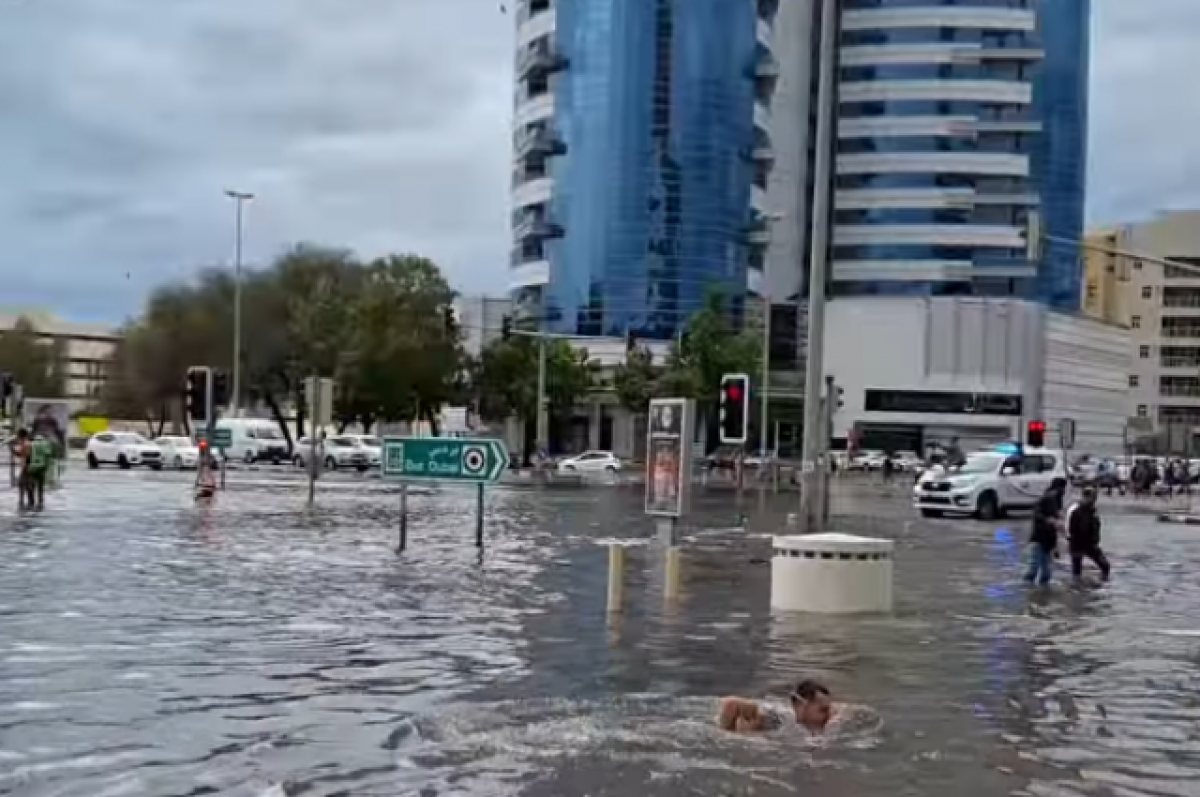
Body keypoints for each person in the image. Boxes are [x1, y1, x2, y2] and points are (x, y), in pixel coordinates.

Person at [716, 679, 835, 735]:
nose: (828, 717)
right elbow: (730, 703)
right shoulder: (778, 718)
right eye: (823, 710)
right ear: (801, 705)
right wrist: (726, 735)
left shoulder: (801, 726)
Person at [1025, 477, 1068, 586]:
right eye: (1063, 489)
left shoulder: (1055, 500)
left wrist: (1057, 546)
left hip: (1048, 541)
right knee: (1034, 570)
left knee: (1046, 573)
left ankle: (1039, 595)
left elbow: (1057, 525)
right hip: (1040, 539)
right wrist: (1048, 520)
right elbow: (1036, 514)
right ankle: (1028, 591)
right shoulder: (1047, 498)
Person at [1066, 487, 1111, 582]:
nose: (1095, 500)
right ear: (1085, 496)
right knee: (1077, 569)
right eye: (1093, 497)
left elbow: (1096, 525)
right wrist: (1070, 540)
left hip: (1091, 543)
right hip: (1077, 542)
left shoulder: (1093, 509)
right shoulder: (1074, 509)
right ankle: (1076, 589)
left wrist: (1096, 540)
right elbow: (1069, 527)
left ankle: (1103, 583)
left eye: (1096, 497)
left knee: (1105, 565)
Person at [23, 432, 53, 510]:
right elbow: (48, 455)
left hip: (33, 467)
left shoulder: (31, 444)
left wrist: (27, 466)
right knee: (40, 485)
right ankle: (40, 502)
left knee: (31, 485)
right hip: (42, 467)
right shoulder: (46, 444)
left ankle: (31, 502)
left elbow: (28, 455)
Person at [10, 428, 31, 509]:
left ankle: (26, 502)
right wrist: (13, 450)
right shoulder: (24, 443)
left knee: (24, 485)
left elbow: (26, 455)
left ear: (21, 436)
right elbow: (20, 454)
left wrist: (14, 450)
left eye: (18, 435)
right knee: (23, 485)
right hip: (25, 467)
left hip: (27, 467)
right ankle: (23, 502)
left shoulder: (26, 444)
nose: (17, 438)